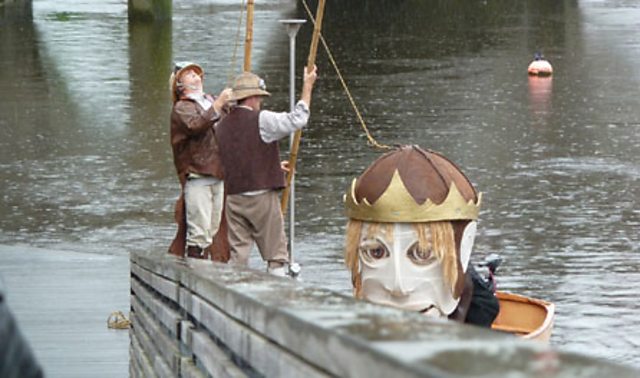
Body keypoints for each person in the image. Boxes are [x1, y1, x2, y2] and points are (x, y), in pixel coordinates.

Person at [343, 145, 499, 326]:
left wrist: (453, 334)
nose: (399, 286)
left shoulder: (464, 278)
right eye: (376, 252)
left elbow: (481, 307)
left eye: (423, 253)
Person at [215, 66, 318, 276]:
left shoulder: (221, 125)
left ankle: (233, 298)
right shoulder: (262, 119)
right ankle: (276, 295)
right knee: (276, 255)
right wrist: (307, 87)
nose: (260, 102)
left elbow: (238, 155)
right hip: (261, 197)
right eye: (259, 98)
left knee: (238, 257)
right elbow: (298, 119)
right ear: (252, 97)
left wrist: (272, 166)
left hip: (234, 199)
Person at [167, 61, 231, 260]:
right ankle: (195, 272)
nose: (196, 75)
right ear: (180, 84)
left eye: (197, 73)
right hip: (197, 175)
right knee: (199, 233)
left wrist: (228, 105)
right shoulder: (182, 107)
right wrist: (219, 104)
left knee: (212, 229)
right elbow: (195, 125)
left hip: (217, 174)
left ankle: (203, 268)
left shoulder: (208, 101)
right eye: (190, 74)